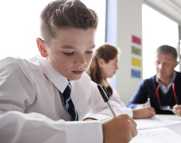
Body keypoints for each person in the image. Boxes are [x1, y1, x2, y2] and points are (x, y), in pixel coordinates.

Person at [0, 0, 137, 143]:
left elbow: (114, 107)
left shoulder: (83, 81)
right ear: (42, 47)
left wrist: (94, 121)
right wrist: (95, 133)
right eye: (69, 52)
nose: (83, 62)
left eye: (89, 51)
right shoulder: (17, 71)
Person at [88, 44, 155, 119]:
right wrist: (134, 113)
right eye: (115, 63)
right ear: (101, 63)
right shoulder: (90, 85)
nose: (117, 67)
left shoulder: (107, 86)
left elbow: (120, 107)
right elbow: (101, 111)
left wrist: (137, 109)